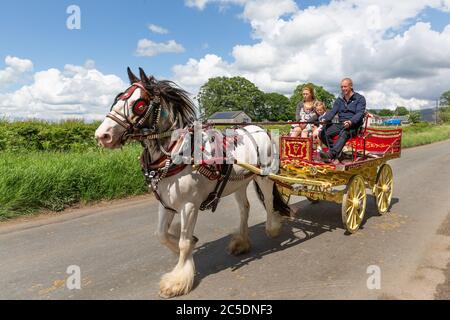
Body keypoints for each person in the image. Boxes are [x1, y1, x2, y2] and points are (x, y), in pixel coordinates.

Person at [319, 78, 366, 161]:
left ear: (351, 86)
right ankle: (338, 152)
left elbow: (360, 113)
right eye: (341, 87)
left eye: (345, 86)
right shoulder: (339, 100)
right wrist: (325, 119)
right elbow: (332, 111)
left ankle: (332, 154)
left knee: (345, 132)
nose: (343, 89)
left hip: (354, 126)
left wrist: (351, 122)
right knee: (323, 132)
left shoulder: (360, 99)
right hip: (341, 124)